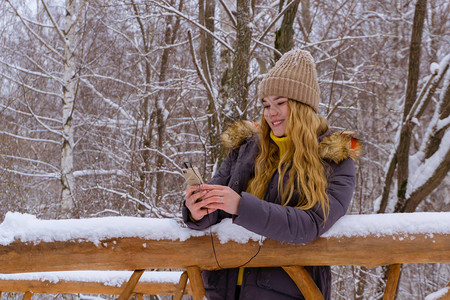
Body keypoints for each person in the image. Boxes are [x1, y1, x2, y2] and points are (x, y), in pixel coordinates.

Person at [182, 49, 361, 300]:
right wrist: (197, 210)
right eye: (266, 104)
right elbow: (217, 205)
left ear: (302, 106)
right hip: (223, 290)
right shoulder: (246, 149)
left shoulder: (334, 159)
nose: (270, 112)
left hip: (287, 293)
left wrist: (241, 206)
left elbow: (311, 224)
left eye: (280, 103)